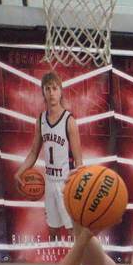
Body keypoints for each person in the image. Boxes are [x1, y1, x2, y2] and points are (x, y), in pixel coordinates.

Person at [14, 71, 82, 239]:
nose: (51, 93)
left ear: (61, 91)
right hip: (49, 182)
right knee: (52, 230)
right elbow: (33, 152)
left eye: (55, 88)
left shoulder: (69, 121)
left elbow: (79, 161)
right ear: (43, 92)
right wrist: (19, 172)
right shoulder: (41, 120)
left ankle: (79, 257)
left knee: (73, 231)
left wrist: (77, 186)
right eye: (47, 89)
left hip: (66, 182)